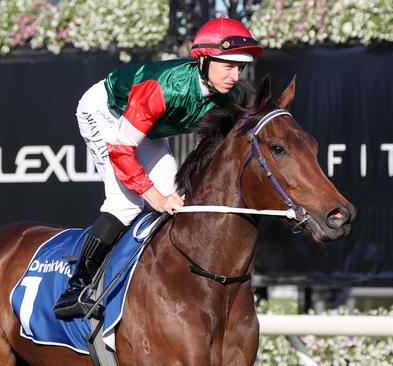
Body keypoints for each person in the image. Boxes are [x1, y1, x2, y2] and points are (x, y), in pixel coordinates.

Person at [53, 17, 263, 318]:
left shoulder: (224, 98)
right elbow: (121, 151)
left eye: (239, 67)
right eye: (227, 65)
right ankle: (76, 287)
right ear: (202, 60)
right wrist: (154, 197)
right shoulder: (162, 89)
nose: (235, 75)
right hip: (107, 113)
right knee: (125, 203)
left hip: (148, 129)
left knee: (177, 199)